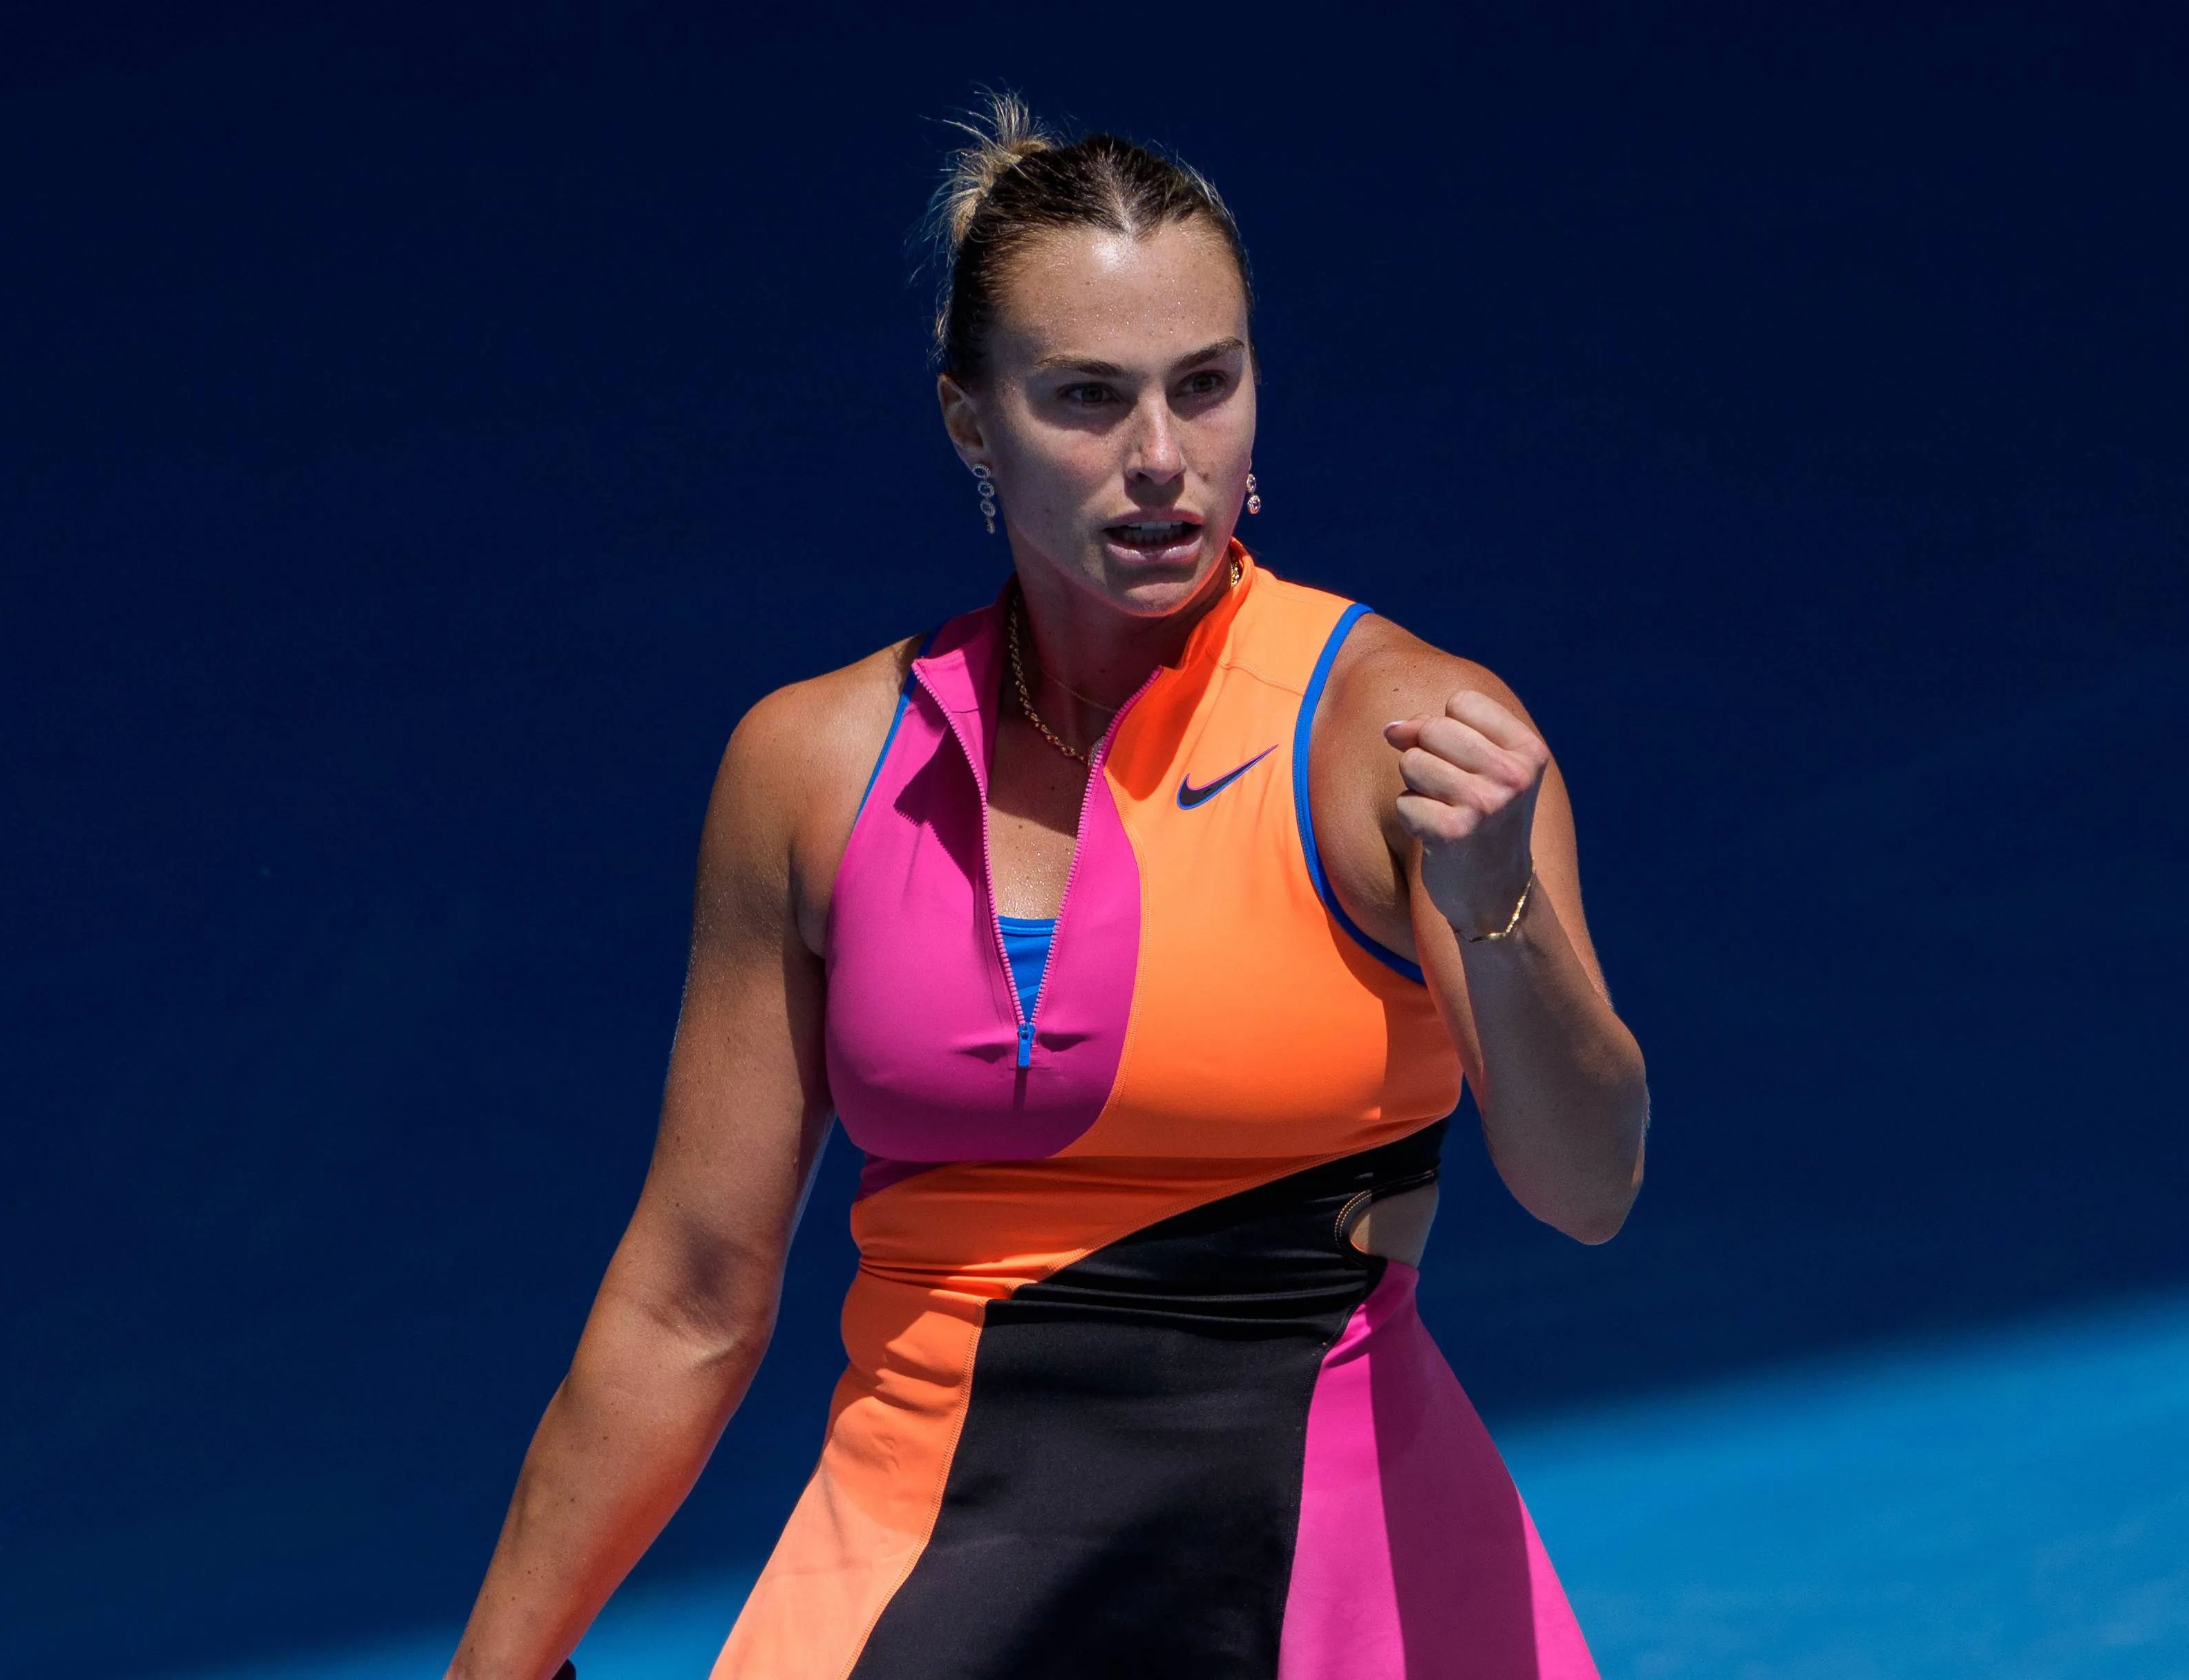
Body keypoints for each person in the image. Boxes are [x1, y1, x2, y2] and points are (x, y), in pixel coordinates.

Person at [446, 95, 1649, 1680]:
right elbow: (689, 1297)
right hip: (912, 1572)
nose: (1162, 460)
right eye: (1086, 398)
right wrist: (497, 1666)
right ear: (969, 419)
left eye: (1205, 388)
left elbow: (1586, 1188)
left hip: (1338, 1583)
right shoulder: (808, 770)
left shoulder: (1401, 733)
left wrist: (1499, 908)